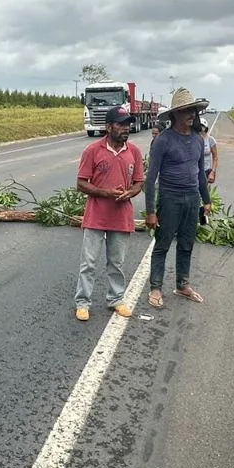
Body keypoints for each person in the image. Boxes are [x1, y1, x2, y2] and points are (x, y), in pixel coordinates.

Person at [74, 106, 145, 321]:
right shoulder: (93, 151)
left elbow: (139, 182)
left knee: (117, 263)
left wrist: (129, 193)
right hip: (96, 217)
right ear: (108, 127)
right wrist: (106, 193)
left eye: (127, 124)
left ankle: (116, 299)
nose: (126, 128)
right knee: (89, 263)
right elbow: (81, 183)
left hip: (121, 217)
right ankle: (83, 303)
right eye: (121, 124)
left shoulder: (133, 152)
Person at [145, 88, 212, 309]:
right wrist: (151, 212)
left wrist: (206, 200)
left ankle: (182, 284)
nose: (191, 115)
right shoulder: (163, 140)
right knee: (162, 245)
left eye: (192, 110)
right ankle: (155, 287)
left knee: (186, 244)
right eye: (185, 111)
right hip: (170, 198)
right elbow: (151, 177)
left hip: (192, 199)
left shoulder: (197, 140)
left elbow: (200, 172)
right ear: (175, 115)